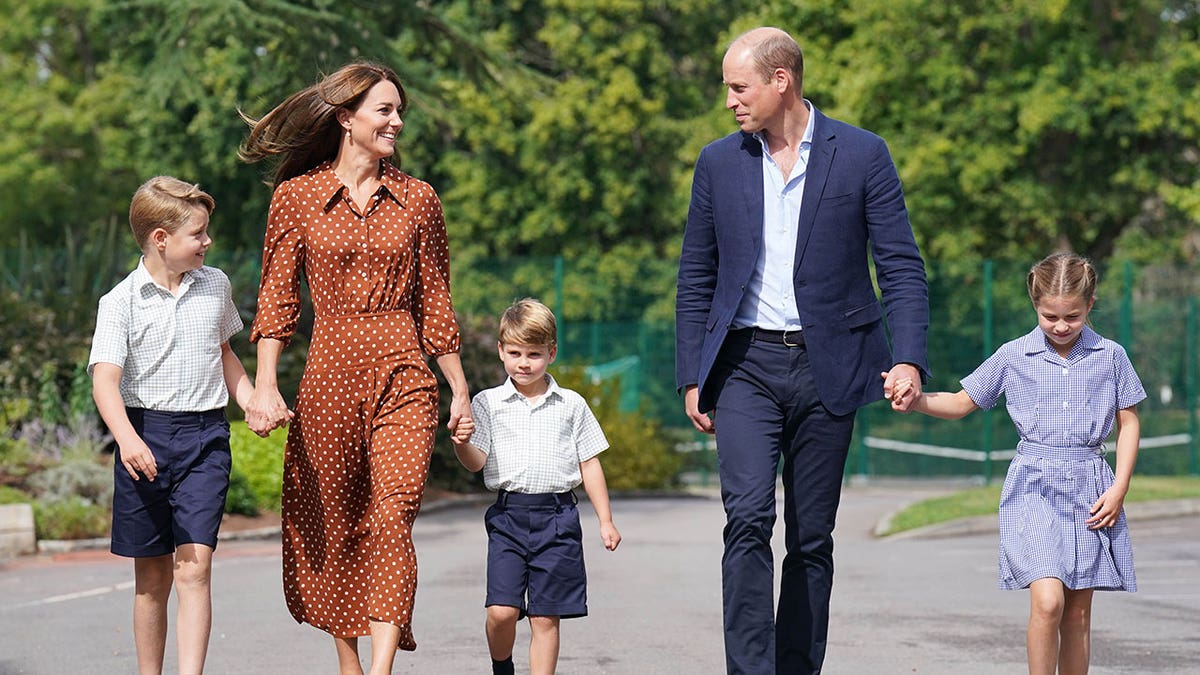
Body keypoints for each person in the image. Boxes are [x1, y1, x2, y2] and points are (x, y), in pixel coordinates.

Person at [674, 26, 930, 674]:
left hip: (832, 367)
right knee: (748, 519)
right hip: (744, 367)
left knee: (812, 538)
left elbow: (899, 265)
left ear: (780, 81)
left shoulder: (864, 155)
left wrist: (908, 358)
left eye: (739, 86)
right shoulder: (718, 162)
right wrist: (690, 374)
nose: (730, 100)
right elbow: (696, 275)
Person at [238, 62, 472, 675]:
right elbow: (277, 299)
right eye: (384, 111)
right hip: (328, 377)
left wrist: (460, 390)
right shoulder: (297, 199)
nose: (397, 122)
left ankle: (383, 670)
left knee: (392, 516)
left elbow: (436, 301)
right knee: (334, 521)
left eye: (400, 112)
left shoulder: (420, 199)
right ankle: (350, 664)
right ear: (347, 118)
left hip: (405, 374)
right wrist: (265, 386)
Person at [890, 253, 1143, 675]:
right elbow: (959, 402)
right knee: (1048, 602)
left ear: (1090, 305)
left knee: (1078, 615)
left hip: (1092, 490)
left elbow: (1129, 422)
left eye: (1072, 316)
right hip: (1034, 488)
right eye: (1050, 316)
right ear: (1034, 305)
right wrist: (916, 400)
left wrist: (1119, 487)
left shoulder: (1111, 356)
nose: (1061, 326)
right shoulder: (1013, 355)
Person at [89, 176, 254, 675]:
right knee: (153, 579)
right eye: (198, 234)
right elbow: (105, 382)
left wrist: (250, 401)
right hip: (144, 436)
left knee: (196, 567)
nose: (207, 242)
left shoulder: (216, 284)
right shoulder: (120, 302)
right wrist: (128, 439)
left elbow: (224, 353)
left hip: (206, 438)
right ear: (161, 238)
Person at [452, 298, 621, 675]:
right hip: (509, 518)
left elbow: (589, 462)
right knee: (501, 611)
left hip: (558, 518)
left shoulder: (571, 405)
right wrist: (461, 441)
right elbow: (476, 462)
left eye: (534, 353)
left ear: (551, 353)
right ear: (500, 350)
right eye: (514, 352)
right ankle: (502, 666)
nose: (523, 362)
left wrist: (605, 520)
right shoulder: (487, 404)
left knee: (546, 618)